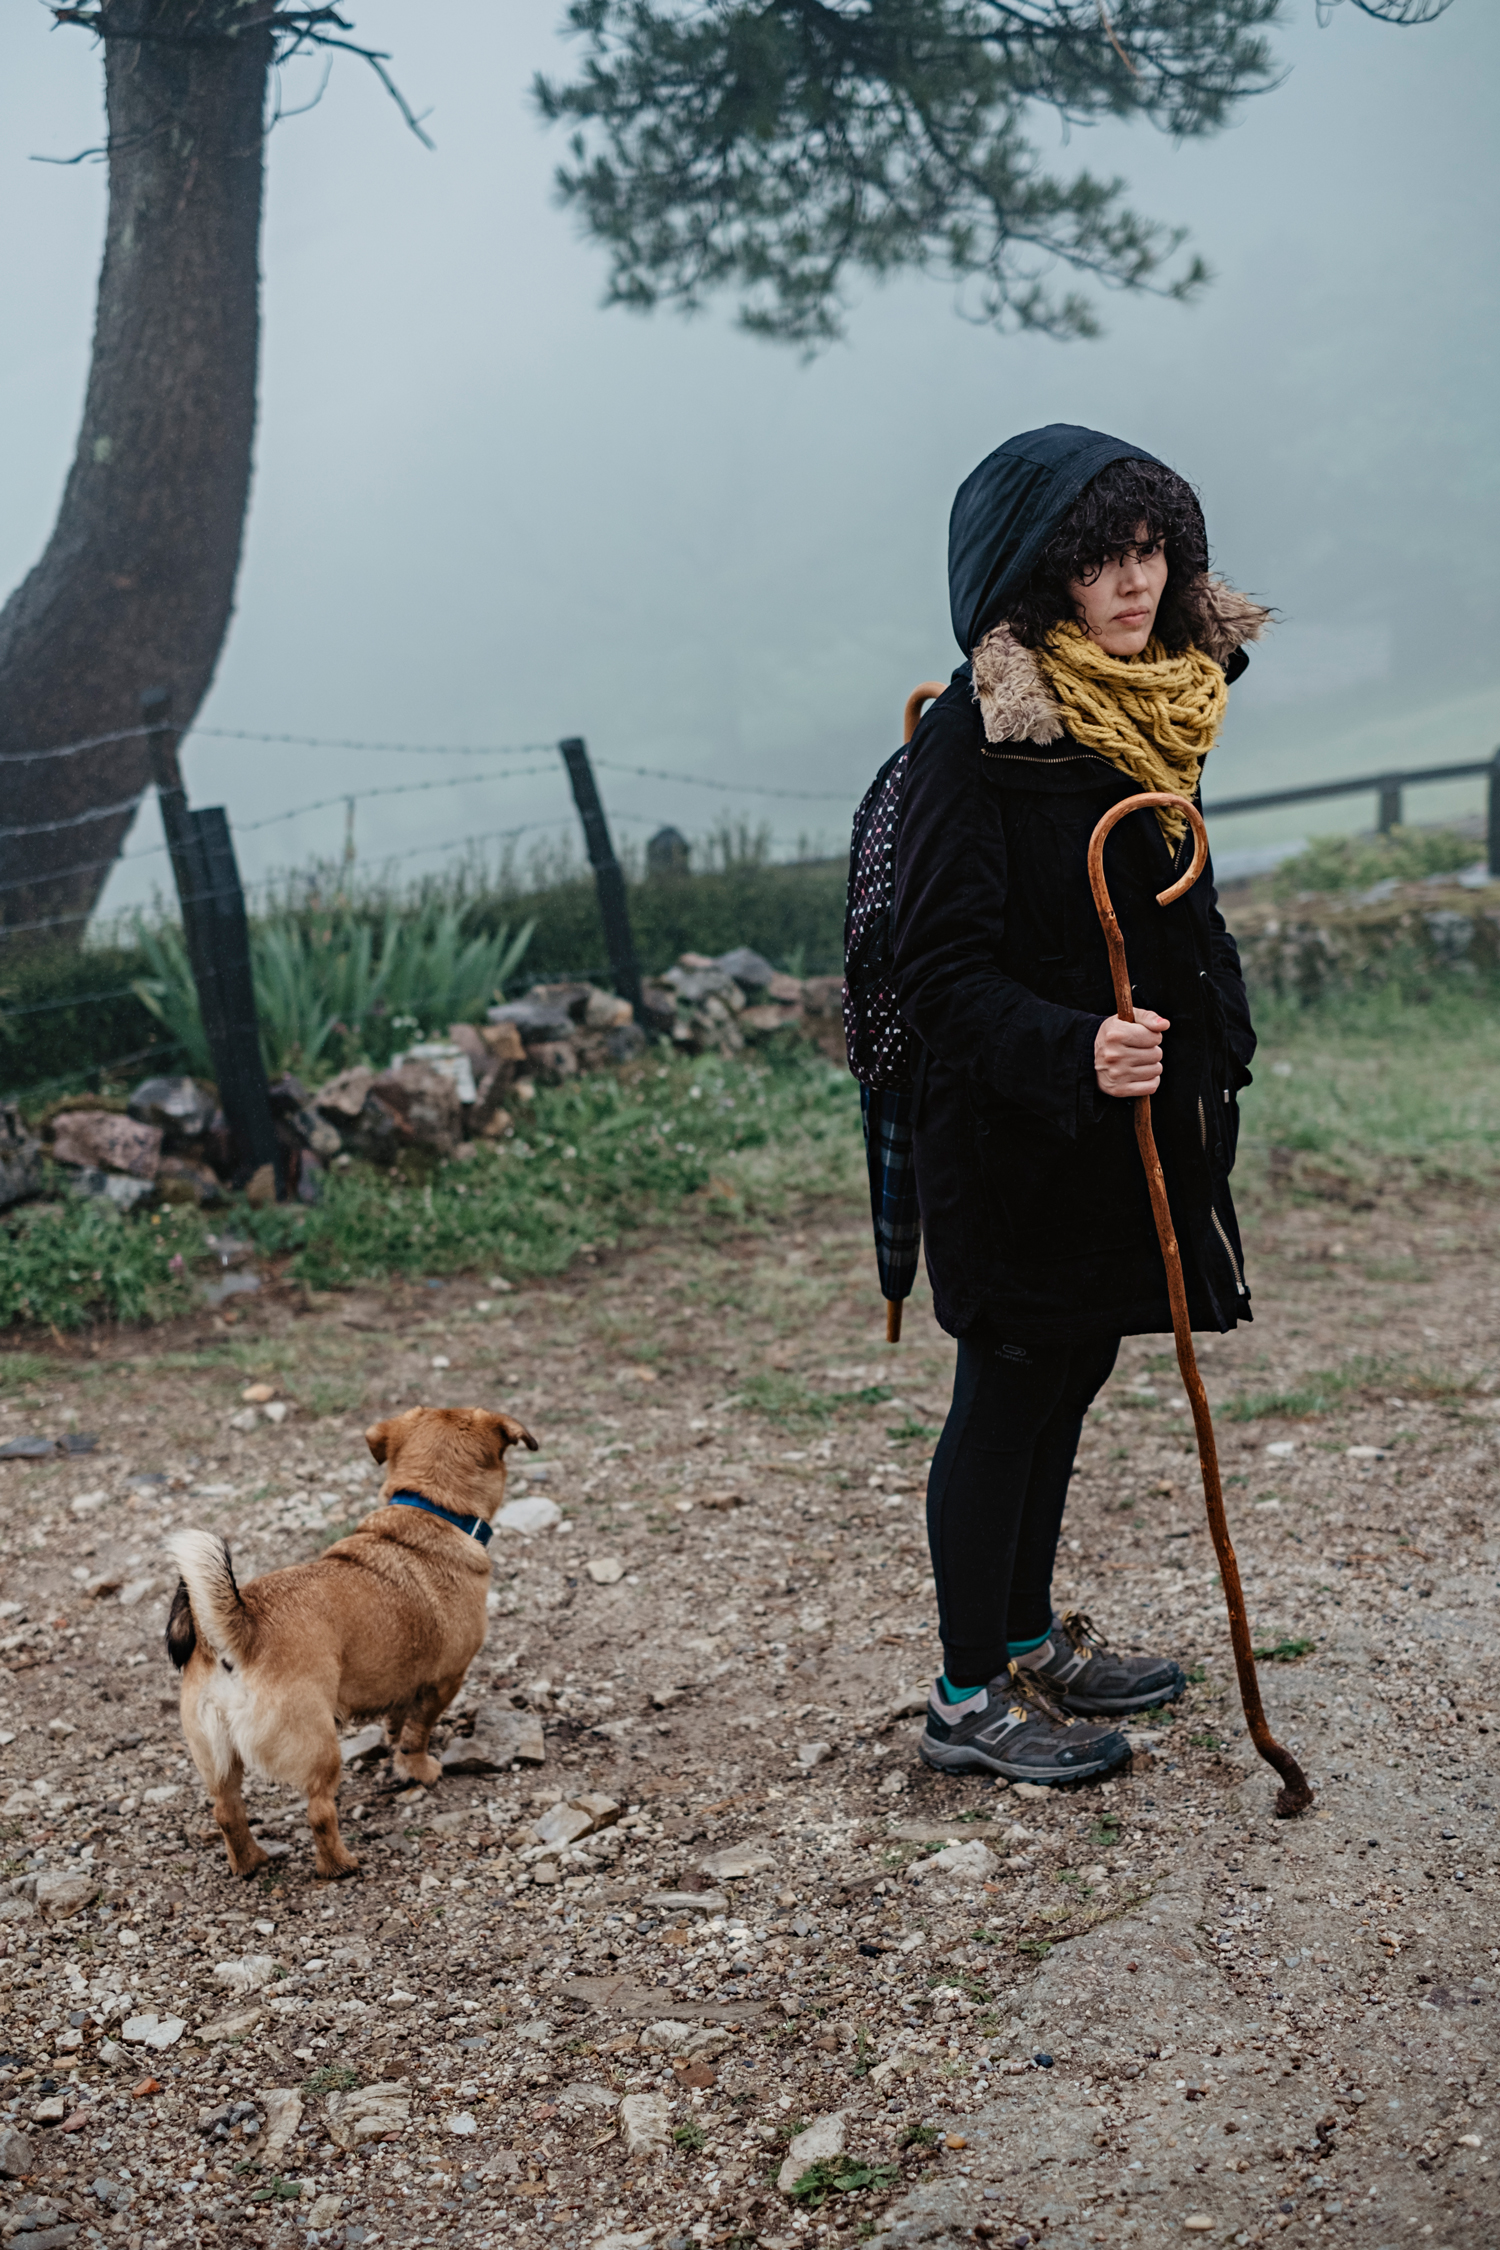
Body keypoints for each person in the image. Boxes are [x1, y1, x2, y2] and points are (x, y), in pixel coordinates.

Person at [890, 424, 1266, 1785]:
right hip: (1008, 1133)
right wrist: (1070, 1047)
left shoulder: (1152, 713)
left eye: (1150, 549)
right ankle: (963, 1696)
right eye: (1099, 557)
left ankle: (1028, 1633)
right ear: (1039, 576)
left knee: (1076, 1365)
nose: (1132, 581)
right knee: (1006, 1382)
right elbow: (935, 971)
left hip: (1121, 1133)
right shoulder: (972, 746)